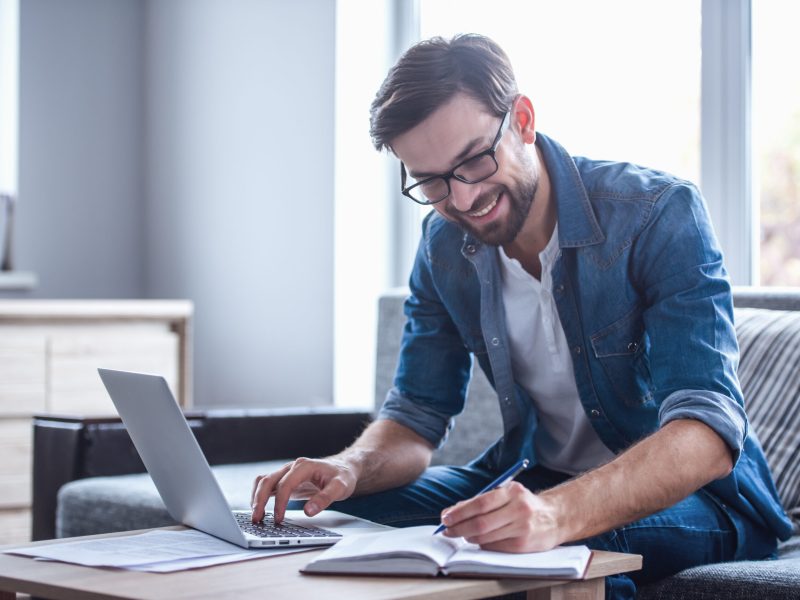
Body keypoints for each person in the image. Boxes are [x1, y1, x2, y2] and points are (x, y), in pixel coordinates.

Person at [251, 34, 793, 597]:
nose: (462, 200)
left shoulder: (658, 214)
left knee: (554, 551)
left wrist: (555, 515)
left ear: (524, 119)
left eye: (474, 161)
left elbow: (705, 433)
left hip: (708, 501)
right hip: (535, 477)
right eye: (433, 182)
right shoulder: (442, 246)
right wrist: (351, 467)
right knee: (331, 526)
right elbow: (416, 418)